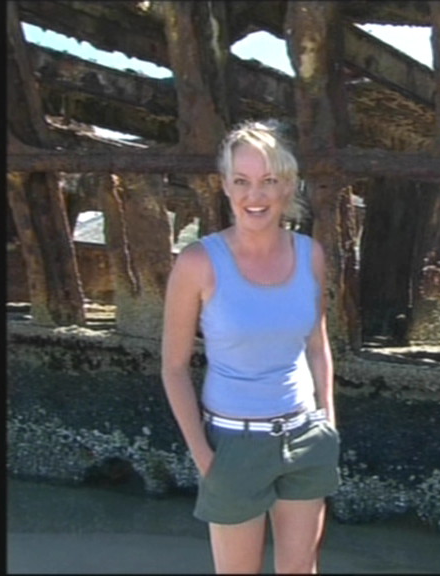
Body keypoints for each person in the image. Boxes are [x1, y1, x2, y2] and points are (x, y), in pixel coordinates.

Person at [161, 119, 340, 574]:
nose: (254, 195)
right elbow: (174, 367)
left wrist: (327, 422)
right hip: (232, 445)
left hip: (304, 437)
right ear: (225, 185)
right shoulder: (198, 262)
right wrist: (205, 458)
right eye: (241, 181)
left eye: (268, 181)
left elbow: (317, 343)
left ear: (288, 186)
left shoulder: (311, 255)